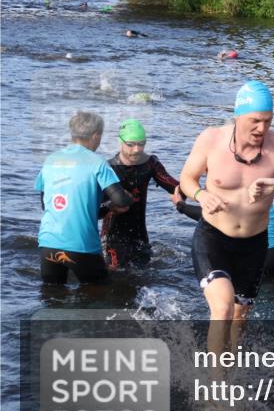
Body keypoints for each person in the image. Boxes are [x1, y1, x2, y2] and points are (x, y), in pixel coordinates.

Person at [179, 81, 274, 324]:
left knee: (239, 316)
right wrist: (201, 195)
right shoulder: (211, 139)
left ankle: (229, 351)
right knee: (223, 308)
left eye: (268, 121)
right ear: (238, 116)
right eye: (255, 121)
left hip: (254, 243)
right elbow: (187, 178)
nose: (262, 128)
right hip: (213, 236)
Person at [35, 112, 133, 284]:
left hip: (48, 244)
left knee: (52, 295)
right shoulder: (97, 162)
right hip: (81, 247)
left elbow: (46, 205)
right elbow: (121, 200)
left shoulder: (50, 160)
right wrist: (126, 199)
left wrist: (105, 208)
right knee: (99, 293)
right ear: (96, 135)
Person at [100, 119, 185, 269]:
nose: (137, 149)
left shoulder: (150, 164)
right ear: (120, 142)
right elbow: (92, 209)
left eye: (141, 144)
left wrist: (190, 194)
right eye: (131, 144)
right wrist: (110, 206)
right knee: (115, 276)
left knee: (145, 274)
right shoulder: (108, 168)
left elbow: (174, 186)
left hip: (139, 235)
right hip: (113, 237)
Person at [175, 188, 274, 277]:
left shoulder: (240, 181)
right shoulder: (270, 173)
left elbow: (215, 217)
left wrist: (181, 206)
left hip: (267, 249)